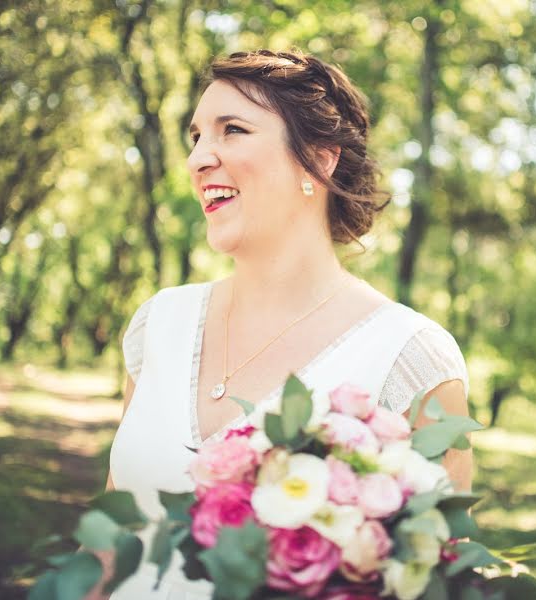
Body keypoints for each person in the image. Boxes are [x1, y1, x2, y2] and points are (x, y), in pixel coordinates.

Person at [87, 49, 471, 600]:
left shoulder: (410, 359)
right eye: (195, 137)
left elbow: (437, 579)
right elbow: (107, 541)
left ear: (320, 159)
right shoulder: (158, 324)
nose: (198, 159)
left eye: (232, 130)